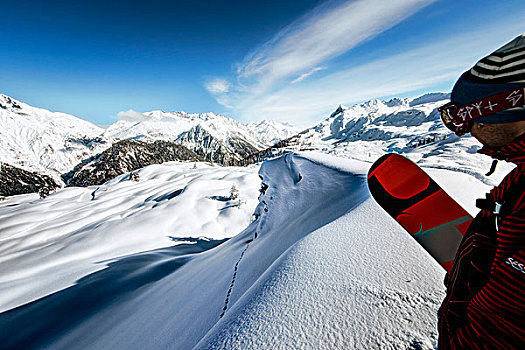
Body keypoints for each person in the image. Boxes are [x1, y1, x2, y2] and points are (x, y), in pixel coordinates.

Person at [437, 34, 524, 349]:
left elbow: (500, 329)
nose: (465, 130)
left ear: (508, 107)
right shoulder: (520, 178)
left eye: (465, 117)